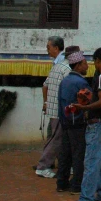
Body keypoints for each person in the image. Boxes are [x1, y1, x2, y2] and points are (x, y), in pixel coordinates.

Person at [66, 47, 101, 201]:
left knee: (91, 163)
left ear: (98, 61)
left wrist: (84, 107)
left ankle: (86, 200)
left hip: (97, 124)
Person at [56, 47, 90, 195]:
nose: (87, 65)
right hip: (78, 123)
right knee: (78, 155)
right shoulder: (81, 83)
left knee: (65, 154)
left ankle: (61, 183)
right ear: (77, 65)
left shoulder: (65, 82)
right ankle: (76, 184)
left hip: (65, 123)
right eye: (84, 63)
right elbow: (87, 103)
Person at [35, 36, 70, 178]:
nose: (47, 50)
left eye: (48, 47)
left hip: (56, 107)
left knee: (56, 137)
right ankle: (44, 165)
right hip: (59, 108)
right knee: (56, 138)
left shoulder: (59, 65)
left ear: (56, 48)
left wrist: (46, 102)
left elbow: (46, 85)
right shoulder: (63, 66)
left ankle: (55, 164)